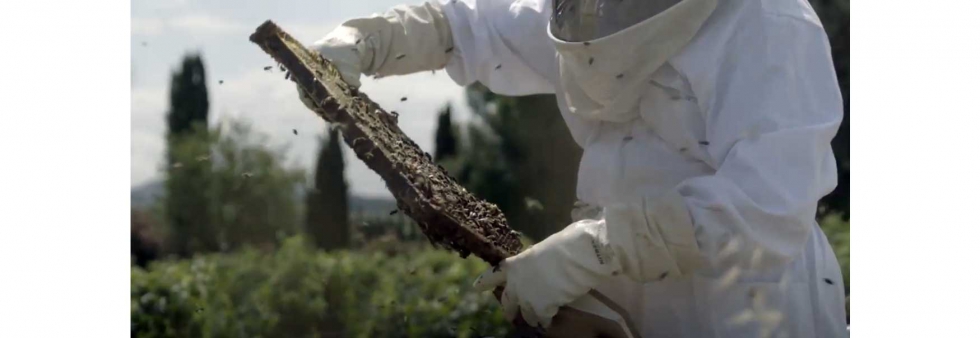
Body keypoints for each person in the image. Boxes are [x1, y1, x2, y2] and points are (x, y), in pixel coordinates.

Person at [299, 0, 848, 337]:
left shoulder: (768, 22)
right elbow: (468, 27)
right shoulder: (593, 10)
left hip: (746, 310)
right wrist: (369, 41)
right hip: (613, 296)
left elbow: (769, 208)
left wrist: (597, 248)